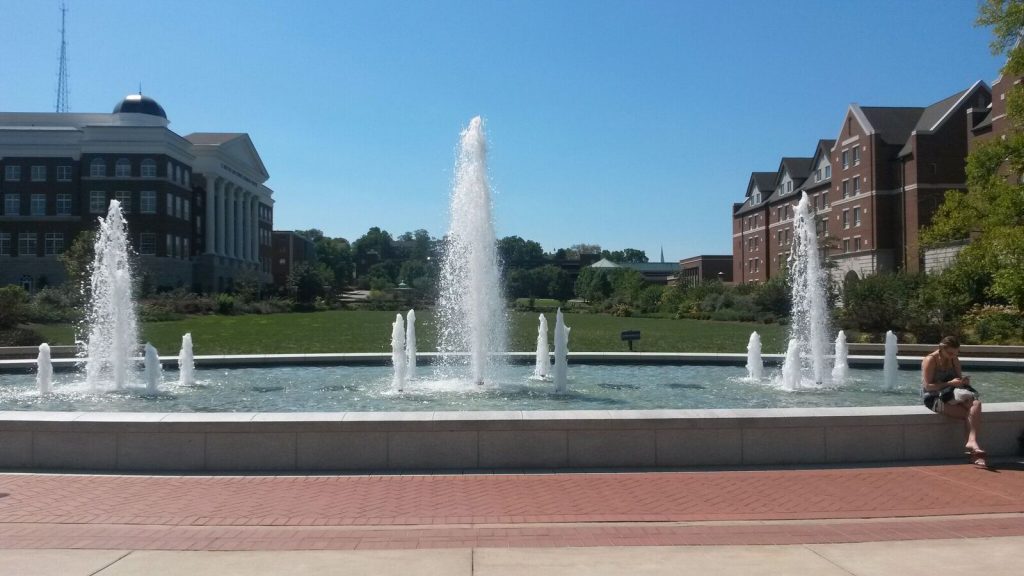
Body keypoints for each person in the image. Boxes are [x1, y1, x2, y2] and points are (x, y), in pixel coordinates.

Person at [921, 336, 986, 466]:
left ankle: (972, 441)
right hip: (934, 397)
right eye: (950, 353)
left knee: (976, 404)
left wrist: (963, 382)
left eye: (955, 353)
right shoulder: (930, 360)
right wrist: (950, 383)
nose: (952, 356)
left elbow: (958, 380)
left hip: (952, 395)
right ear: (941, 348)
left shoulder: (954, 359)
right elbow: (927, 386)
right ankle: (973, 453)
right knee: (970, 416)